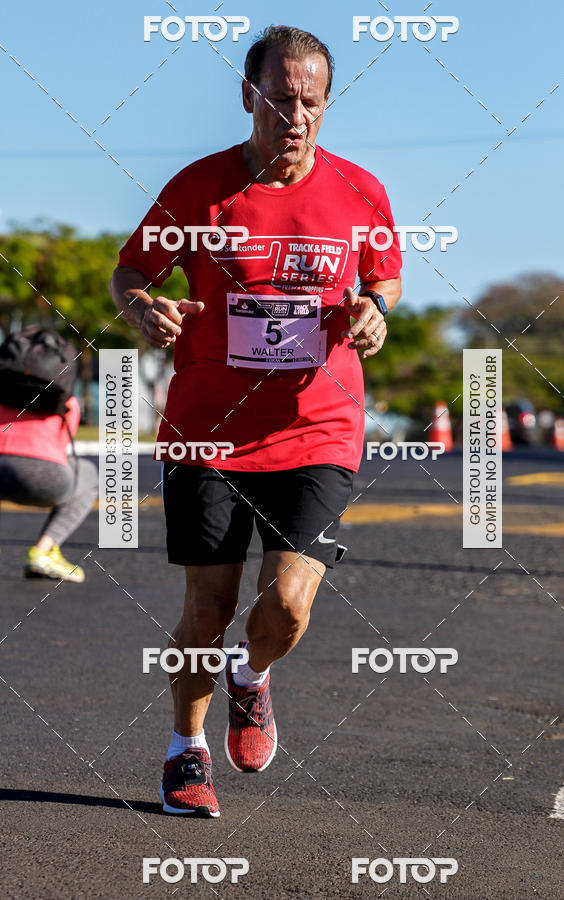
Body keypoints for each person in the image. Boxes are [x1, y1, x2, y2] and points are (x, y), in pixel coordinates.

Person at [110, 25, 402, 817]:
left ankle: (253, 674)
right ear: (249, 97)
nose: (295, 116)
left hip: (318, 427)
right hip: (208, 431)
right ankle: (186, 749)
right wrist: (143, 308)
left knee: (289, 606)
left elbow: (384, 277)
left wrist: (375, 311)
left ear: (326, 103)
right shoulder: (199, 189)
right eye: (280, 98)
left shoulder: (361, 192)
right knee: (207, 608)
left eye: (311, 101)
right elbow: (131, 269)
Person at [0, 394, 98, 581]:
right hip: (44, 476)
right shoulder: (66, 399)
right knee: (87, 473)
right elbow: (60, 450)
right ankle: (42, 553)